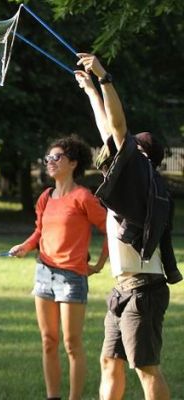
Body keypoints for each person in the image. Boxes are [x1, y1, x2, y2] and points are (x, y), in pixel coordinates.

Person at [76, 53, 180, 400]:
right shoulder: (134, 184)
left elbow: (117, 129)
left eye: (130, 148)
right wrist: (91, 91)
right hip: (123, 290)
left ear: (142, 157)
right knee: (109, 361)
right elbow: (109, 131)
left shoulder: (143, 184)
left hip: (143, 291)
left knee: (145, 368)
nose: (118, 150)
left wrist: (104, 78)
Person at [9, 136, 108, 400]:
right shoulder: (45, 197)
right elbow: (39, 232)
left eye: (57, 158)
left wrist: (98, 264)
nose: (50, 162)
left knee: (71, 344)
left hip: (72, 277)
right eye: (48, 158)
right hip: (43, 273)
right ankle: (53, 396)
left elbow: (111, 228)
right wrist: (25, 247)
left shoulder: (83, 197)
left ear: (73, 163)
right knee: (48, 341)